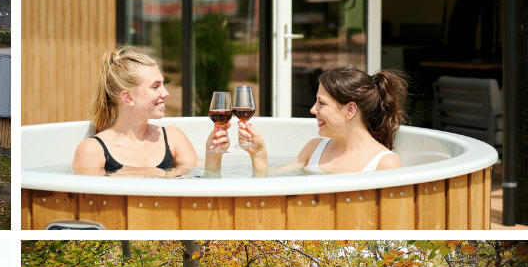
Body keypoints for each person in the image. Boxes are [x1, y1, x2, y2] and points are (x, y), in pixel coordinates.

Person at [72, 45, 224, 176]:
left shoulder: (173, 138)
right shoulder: (92, 151)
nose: (165, 93)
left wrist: (214, 155)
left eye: (163, 84)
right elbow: (89, 204)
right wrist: (163, 175)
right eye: (155, 86)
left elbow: (204, 185)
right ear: (128, 98)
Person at [239, 66, 408, 175]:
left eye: (321, 103)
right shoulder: (314, 148)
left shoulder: (385, 164)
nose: (313, 109)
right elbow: (271, 181)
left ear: (350, 109)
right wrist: (258, 153)